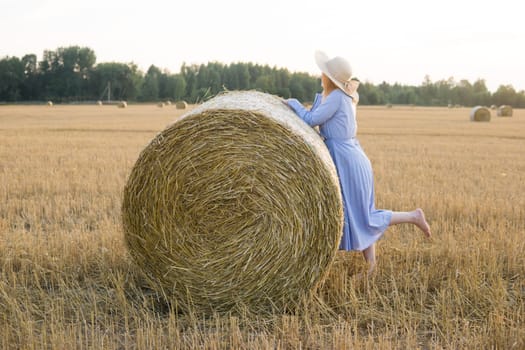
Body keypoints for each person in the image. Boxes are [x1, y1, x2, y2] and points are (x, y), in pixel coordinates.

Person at [285, 51, 431, 274]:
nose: (320, 74)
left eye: (323, 72)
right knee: (361, 214)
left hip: (346, 160)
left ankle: (413, 216)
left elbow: (311, 120)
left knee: (362, 215)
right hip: (351, 155)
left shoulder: (336, 97)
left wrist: (293, 104)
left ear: (329, 77)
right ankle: (371, 266)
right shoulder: (343, 96)